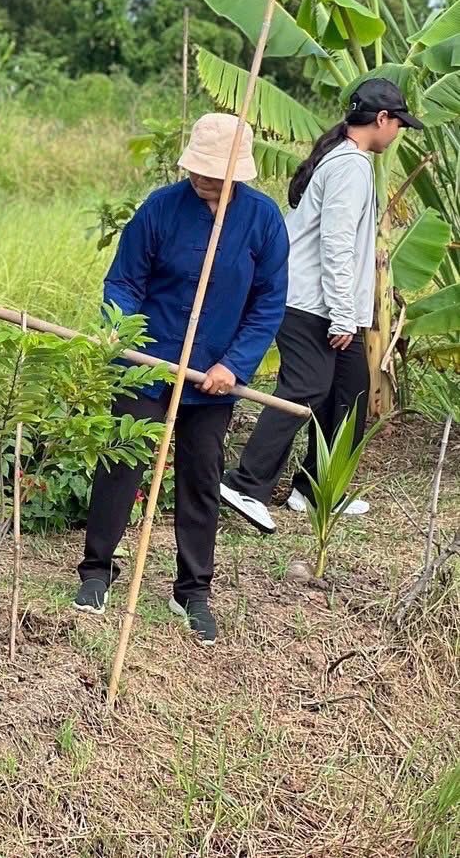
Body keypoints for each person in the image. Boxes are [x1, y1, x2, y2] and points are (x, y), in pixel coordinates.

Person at [73, 113, 288, 646]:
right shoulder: (160, 209)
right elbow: (123, 281)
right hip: (146, 365)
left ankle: (192, 590)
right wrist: (123, 334)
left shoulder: (263, 221)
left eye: (213, 175)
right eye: (197, 171)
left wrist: (232, 365)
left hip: (212, 376)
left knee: (201, 475)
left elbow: (267, 305)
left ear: (238, 175)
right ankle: (97, 572)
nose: (202, 181)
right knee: (121, 462)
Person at [220, 78, 421, 533]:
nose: (399, 133)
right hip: (308, 300)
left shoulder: (350, 161)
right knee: (306, 387)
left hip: (323, 301)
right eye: (399, 124)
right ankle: (244, 483)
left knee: (348, 391)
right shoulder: (350, 166)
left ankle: (313, 488)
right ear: (382, 120)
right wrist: (344, 315)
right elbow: (336, 244)